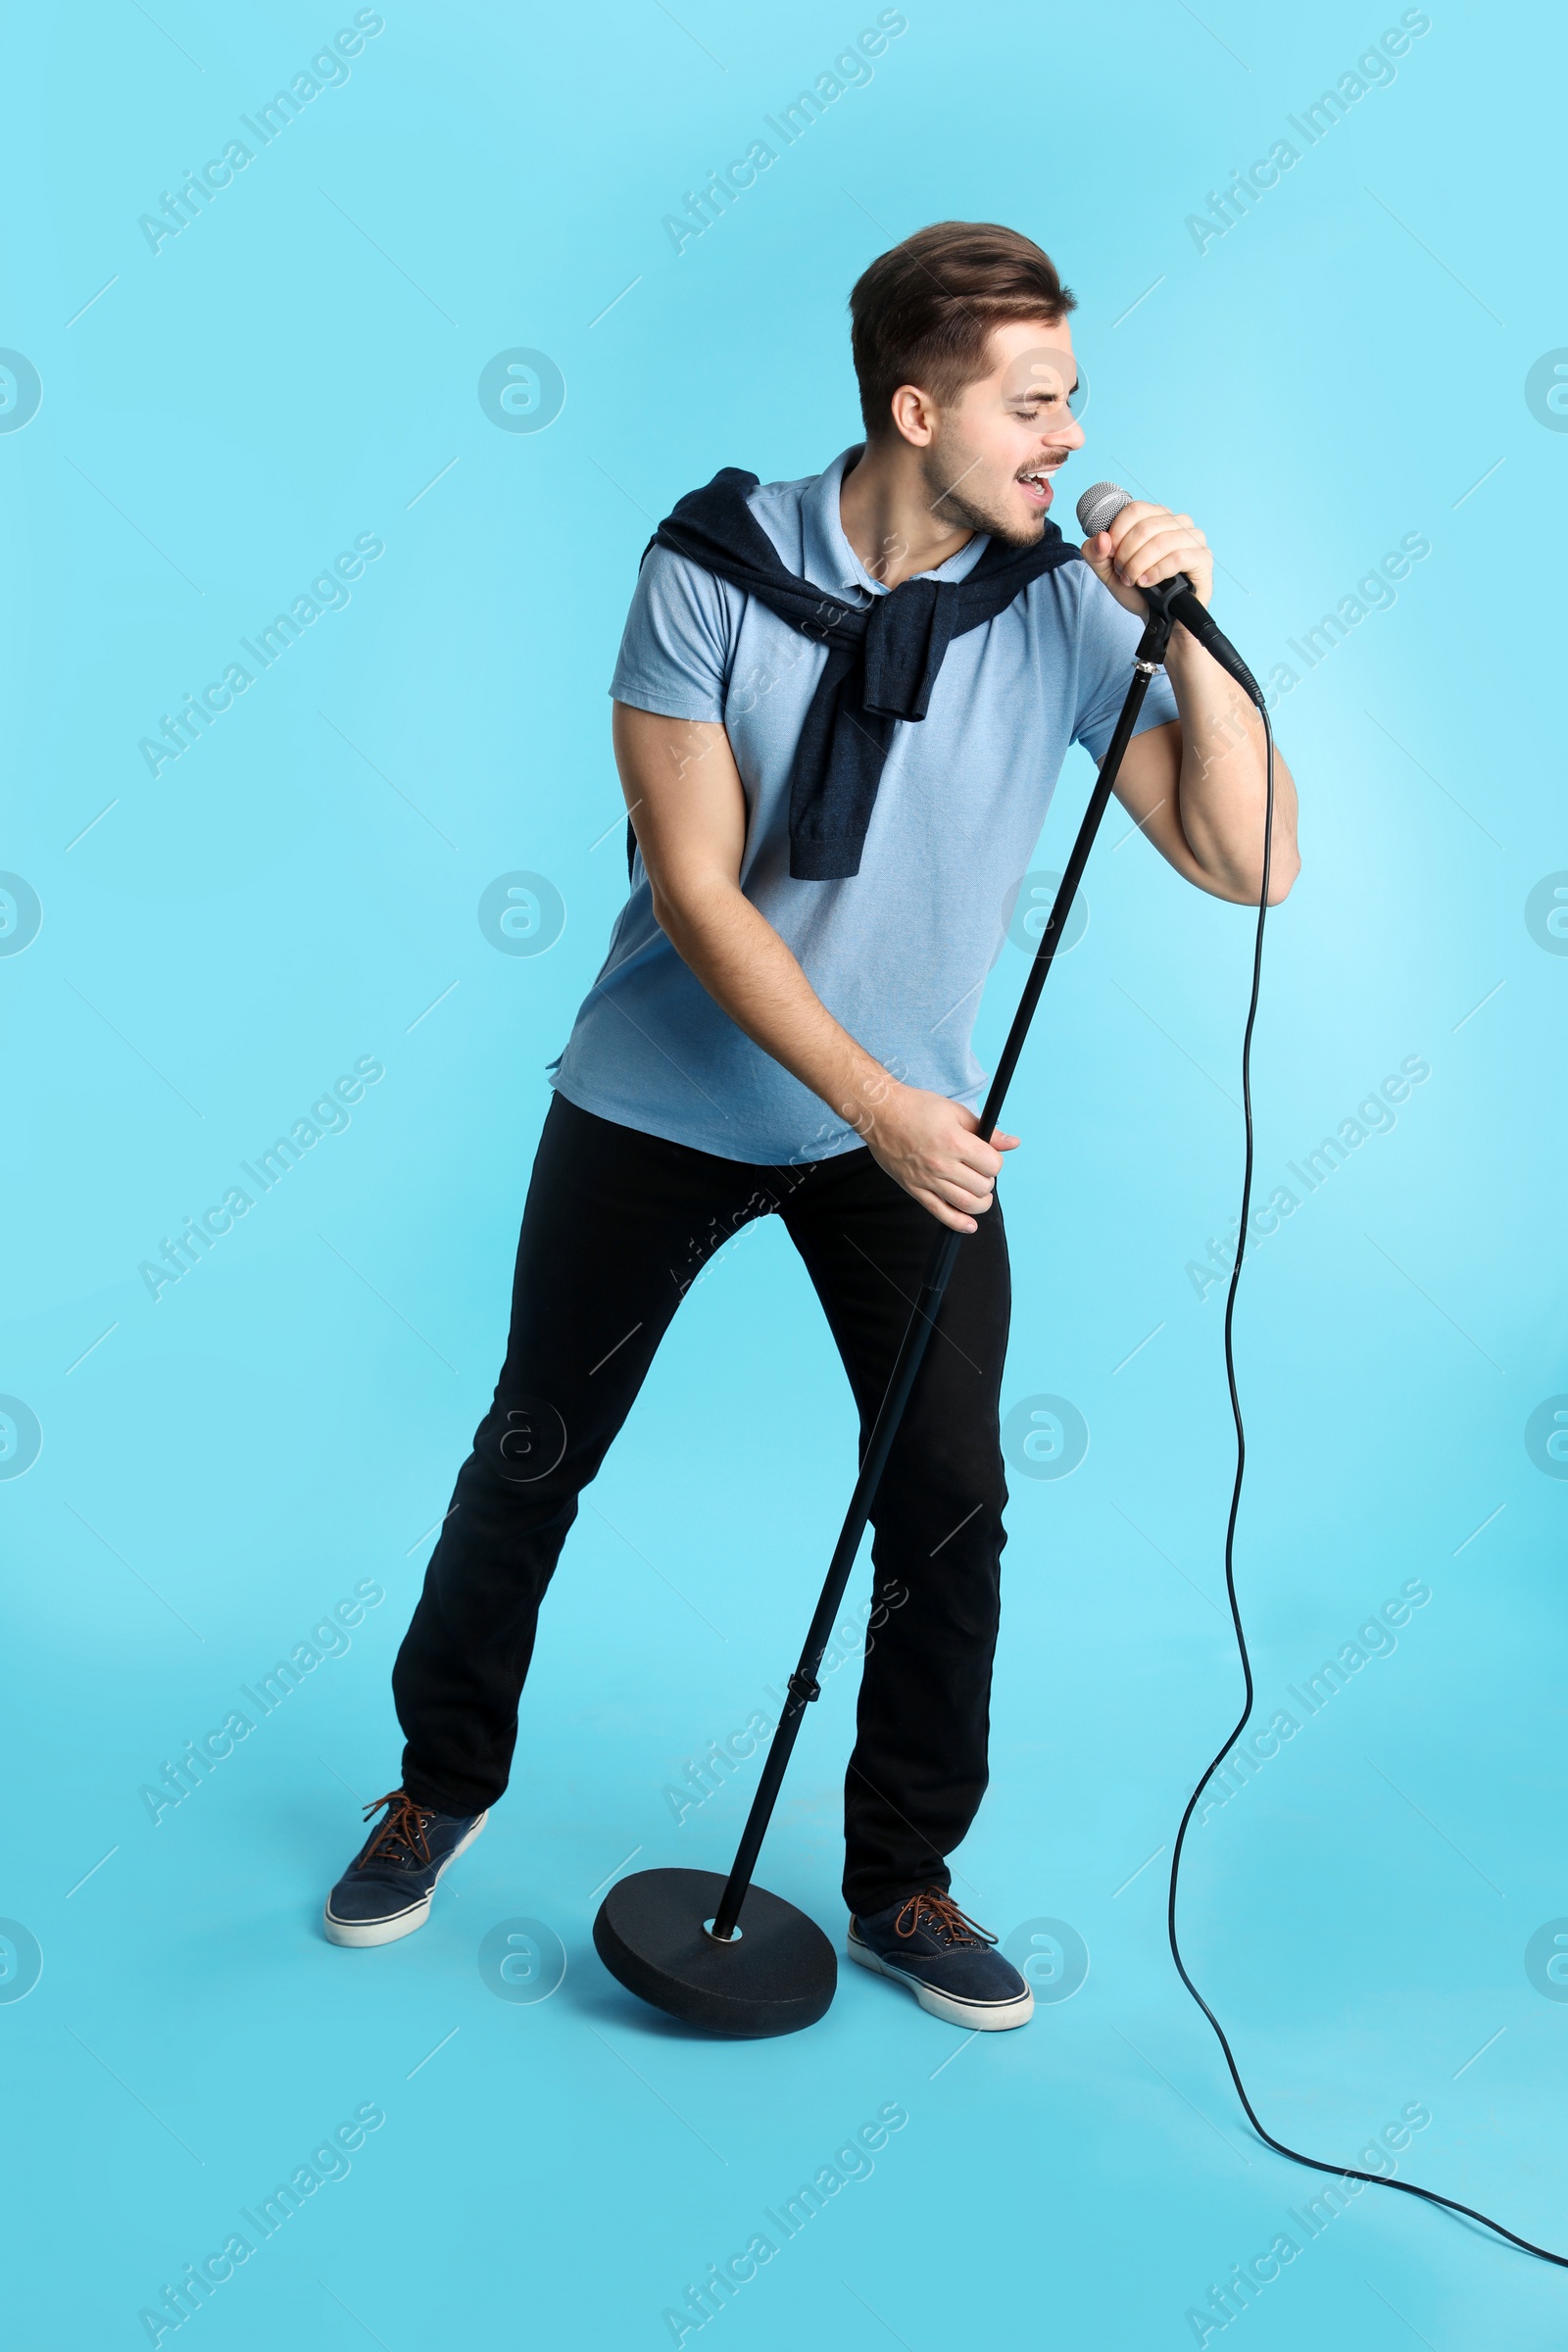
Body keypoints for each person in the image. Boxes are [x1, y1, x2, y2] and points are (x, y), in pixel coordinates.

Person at [323, 220, 1299, 2030]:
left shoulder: (1067, 599)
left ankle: (904, 1882)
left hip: (901, 1133)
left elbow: (1252, 861)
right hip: (671, 1103)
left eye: (1075, 398)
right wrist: (879, 1105)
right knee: (534, 1451)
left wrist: (1194, 630)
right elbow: (697, 893)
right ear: (918, 409)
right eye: (1039, 402)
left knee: (948, 1507)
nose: (1072, 437)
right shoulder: (703, 569)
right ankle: (437, 1789)